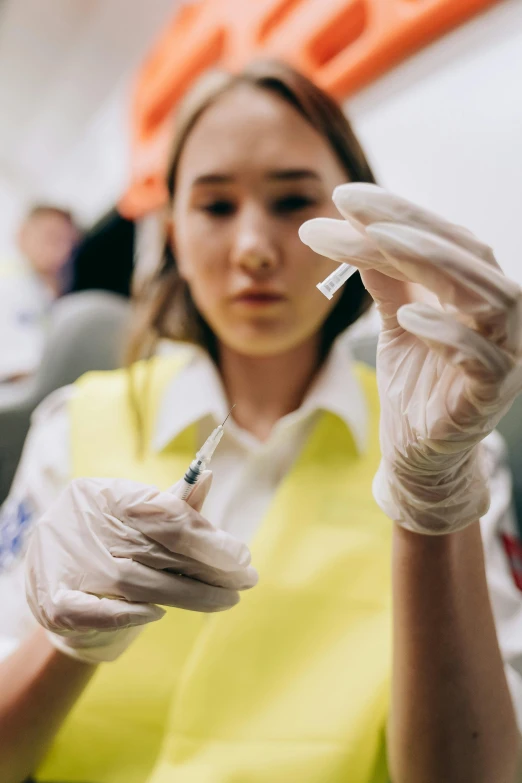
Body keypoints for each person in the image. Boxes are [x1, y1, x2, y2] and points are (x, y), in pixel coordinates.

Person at [0, 60, 521, 783]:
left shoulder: (455, 449)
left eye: (292, 200)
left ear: (356, 226)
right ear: (172, 231)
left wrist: (432, 511)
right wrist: (70, 638)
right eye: (215, 206)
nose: (253, 247)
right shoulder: (74, 425)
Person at [0, 205, 80, 383]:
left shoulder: (40, 289)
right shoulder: (10, 286)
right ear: (22, 234)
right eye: (52, 238)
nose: (63, 252)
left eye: (69, 243)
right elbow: (22, 371)